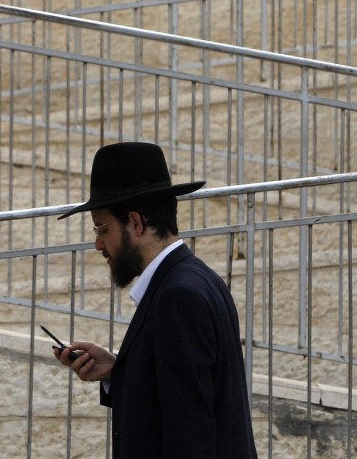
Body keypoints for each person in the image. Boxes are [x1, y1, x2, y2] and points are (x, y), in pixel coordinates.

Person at [54, 142, 258, 459]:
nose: (98, 243)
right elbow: (176, 395)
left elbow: (190, 432)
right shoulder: (196, 279)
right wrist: (118, 370)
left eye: (101, 227)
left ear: (136, 223)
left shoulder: (177, 296)